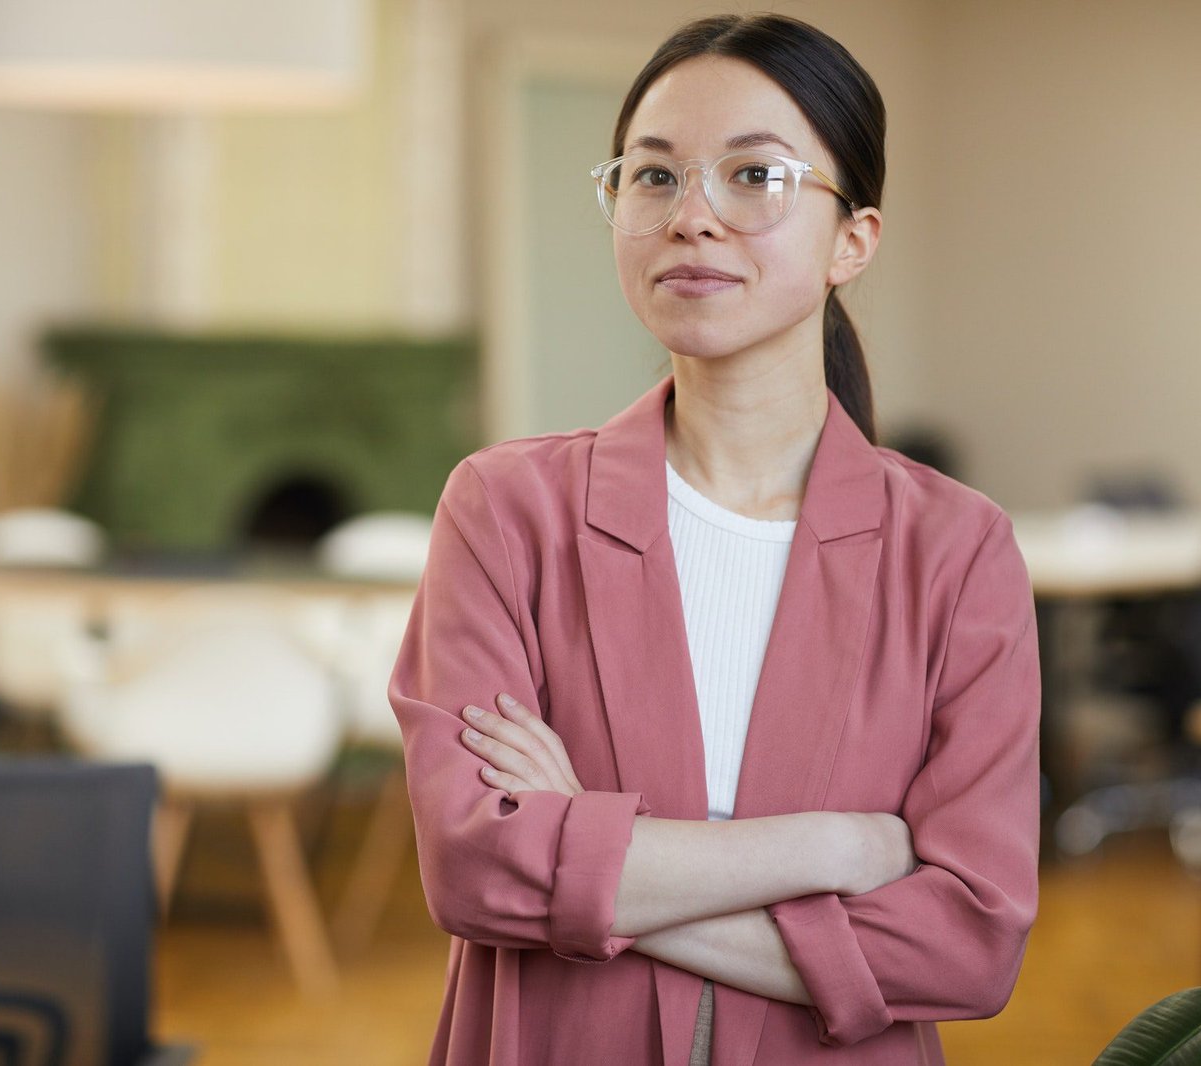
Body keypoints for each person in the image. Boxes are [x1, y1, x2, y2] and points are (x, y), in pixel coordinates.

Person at [387, 12, 1040, 1066]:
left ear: (853, 239)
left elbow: (968, 943)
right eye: (653, 178)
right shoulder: (505, 509)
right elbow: (474, 869)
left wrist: (581, 850)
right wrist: (834, 846)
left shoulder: (958, 552)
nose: (691, 217)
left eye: (754, 177)